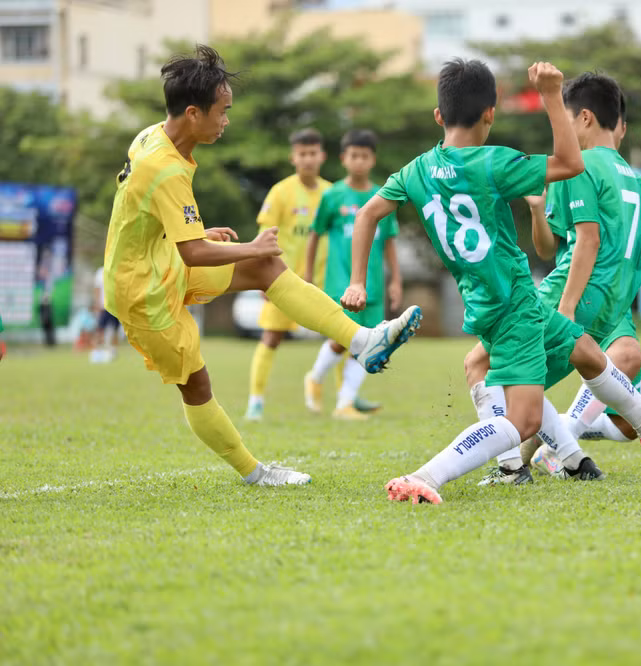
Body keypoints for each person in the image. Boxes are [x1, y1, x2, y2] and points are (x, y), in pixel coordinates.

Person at [341, 59, 641, 504]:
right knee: (520, 422)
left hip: (486, 301)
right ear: (491, 113)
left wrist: (358, 281)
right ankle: (429, 475)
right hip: (515, 306)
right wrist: (550, 95)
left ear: (438, 116)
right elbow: (569, 162)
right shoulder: (494, 163)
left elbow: (368, 213)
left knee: (582, 348)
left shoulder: (416, 171)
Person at [103, 44, 421, 486]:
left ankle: (364, 341)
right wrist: (250, 246)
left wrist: (192, 231)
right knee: (196, 384)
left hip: (162, 258)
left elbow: (147, 210)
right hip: (141, 289)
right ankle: (254, 473)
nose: (227, 120)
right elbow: (192, 250)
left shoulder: (152, 135)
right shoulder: (166, 166)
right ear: (193, 113)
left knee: (266, 270)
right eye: (223, 111)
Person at [303, 129, 401, 420]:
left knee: (369, 344)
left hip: (373, 284)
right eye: (354, 156)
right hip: (340, 282)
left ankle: (344, 402)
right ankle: (315, 377)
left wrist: (396, 279)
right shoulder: (332, 196)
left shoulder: (382, 196)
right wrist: (308, 274)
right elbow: (314, 235)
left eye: (365, 156)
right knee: (342, 339)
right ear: (344, 159)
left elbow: (390, 242)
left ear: (373, 160)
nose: (359, 162)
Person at [245, 128, 331, 421]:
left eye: (313, 153)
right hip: (284, 280)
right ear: (293, 157)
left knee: (342, 336)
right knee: (271, 337)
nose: (308, 159)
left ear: (322, 156)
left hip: (323, 280)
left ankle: (343, 397)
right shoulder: (281, 192)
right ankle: (255, 402)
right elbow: (265, 235)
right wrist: (262, 274)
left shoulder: (332, 193)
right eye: (302, 154)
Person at [90, 266, 120, 363]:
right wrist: (97, 303)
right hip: (104, 306)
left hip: (115, 306)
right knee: (100, 329)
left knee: (115, 329)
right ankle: (96, 352)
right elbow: (97, 289)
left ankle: (113, 351)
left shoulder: (117, 269)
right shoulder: (100, 272)